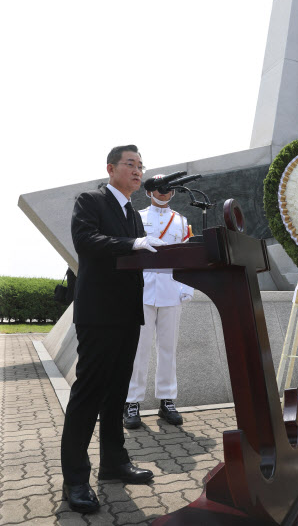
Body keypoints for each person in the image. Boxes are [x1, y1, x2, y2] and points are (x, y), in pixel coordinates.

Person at [61, 145, 162, 514]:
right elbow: (86, 242)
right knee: (88, 394)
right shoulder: (90, 200)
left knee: (117, 394)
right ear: (111, 168)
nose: (138, 171)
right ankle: (75, 480)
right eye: (130, 165)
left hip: (126, 314)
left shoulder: (132, 213)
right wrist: (132, 243)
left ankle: (113, 464)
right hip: (98, 314)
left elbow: (136, 254)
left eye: (141, 165)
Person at [123, 176, 193, 430]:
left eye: (169, 190)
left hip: (170, 289)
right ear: (150, 191)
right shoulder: (137, 217)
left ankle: (167, 399)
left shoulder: (182, 221)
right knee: (139, 349)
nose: (165, 193)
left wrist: (186, 288)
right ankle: (132, 402)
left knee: (168, 348)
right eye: (159, 190)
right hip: (140, 290)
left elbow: (187, 256)